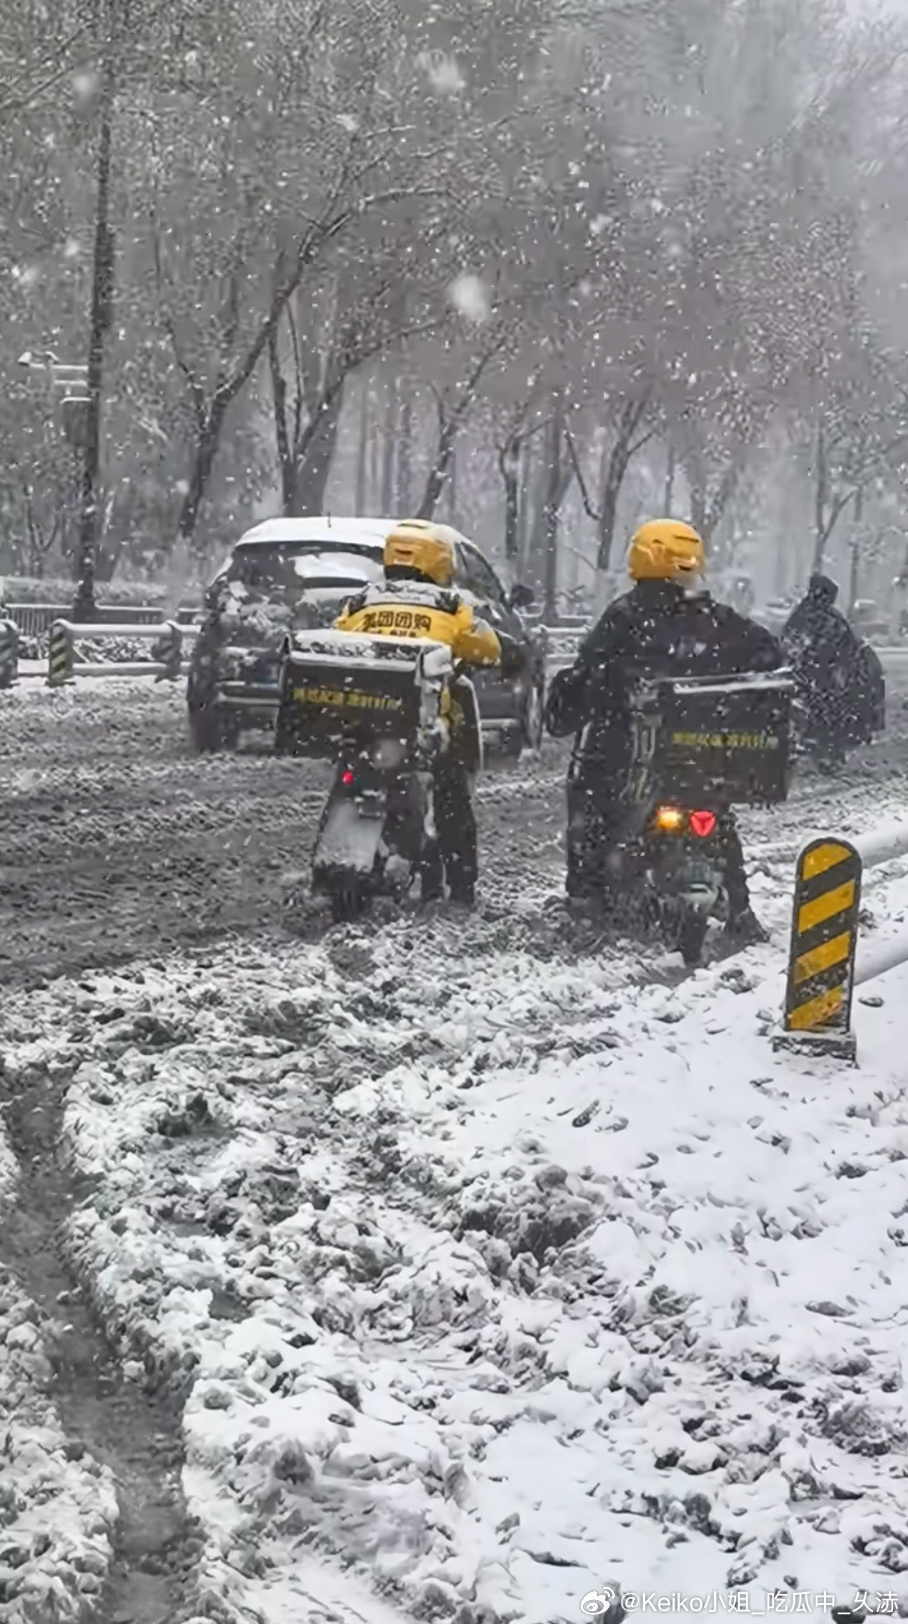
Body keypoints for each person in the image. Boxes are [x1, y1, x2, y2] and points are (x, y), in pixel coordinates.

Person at [544, 518, 784, 944]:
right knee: (719, 814)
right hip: (701, 754)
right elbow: (769, 654)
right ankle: (742, 910)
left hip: (629, 754)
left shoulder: (625, 615)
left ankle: (585, 902)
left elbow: (587, 675)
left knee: (588, 808)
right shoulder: (715, 618)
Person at [334, 520, 517, 907]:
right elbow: (487, 650)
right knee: (453, 800)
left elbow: (337, 643)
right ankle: (460, 886)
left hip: (365, 725)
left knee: (347, 779)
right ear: (438, 562)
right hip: (424, 730)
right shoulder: (449, 607)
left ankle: (344, 862)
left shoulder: (361, 603)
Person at [782, 574, 861, 769]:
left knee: (809, 710)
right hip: (823, 674)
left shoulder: (801, 614)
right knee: (829, 711)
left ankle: (812, 747)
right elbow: (848, 644)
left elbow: (788, 639)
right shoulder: (830, 617)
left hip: (805, 672)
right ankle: (827, 752)